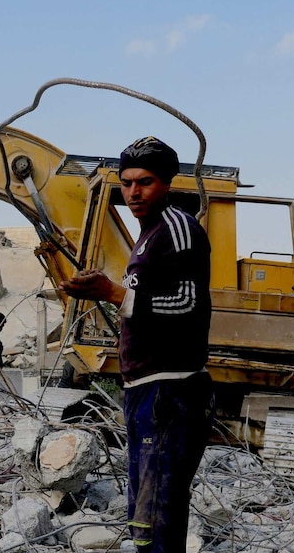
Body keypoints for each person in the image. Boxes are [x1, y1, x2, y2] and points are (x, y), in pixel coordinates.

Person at [58, 136, 215, 553]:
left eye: (144, 182)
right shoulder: (148, 235)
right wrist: (101, 292)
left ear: (167, 182)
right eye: (126, 183)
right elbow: (143, 305)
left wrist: (112, 292)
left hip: (171, 391)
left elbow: (187, 302)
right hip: (146, 390)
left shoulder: (178, 229)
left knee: (160, 511)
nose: (133, 193)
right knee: (144, 514)